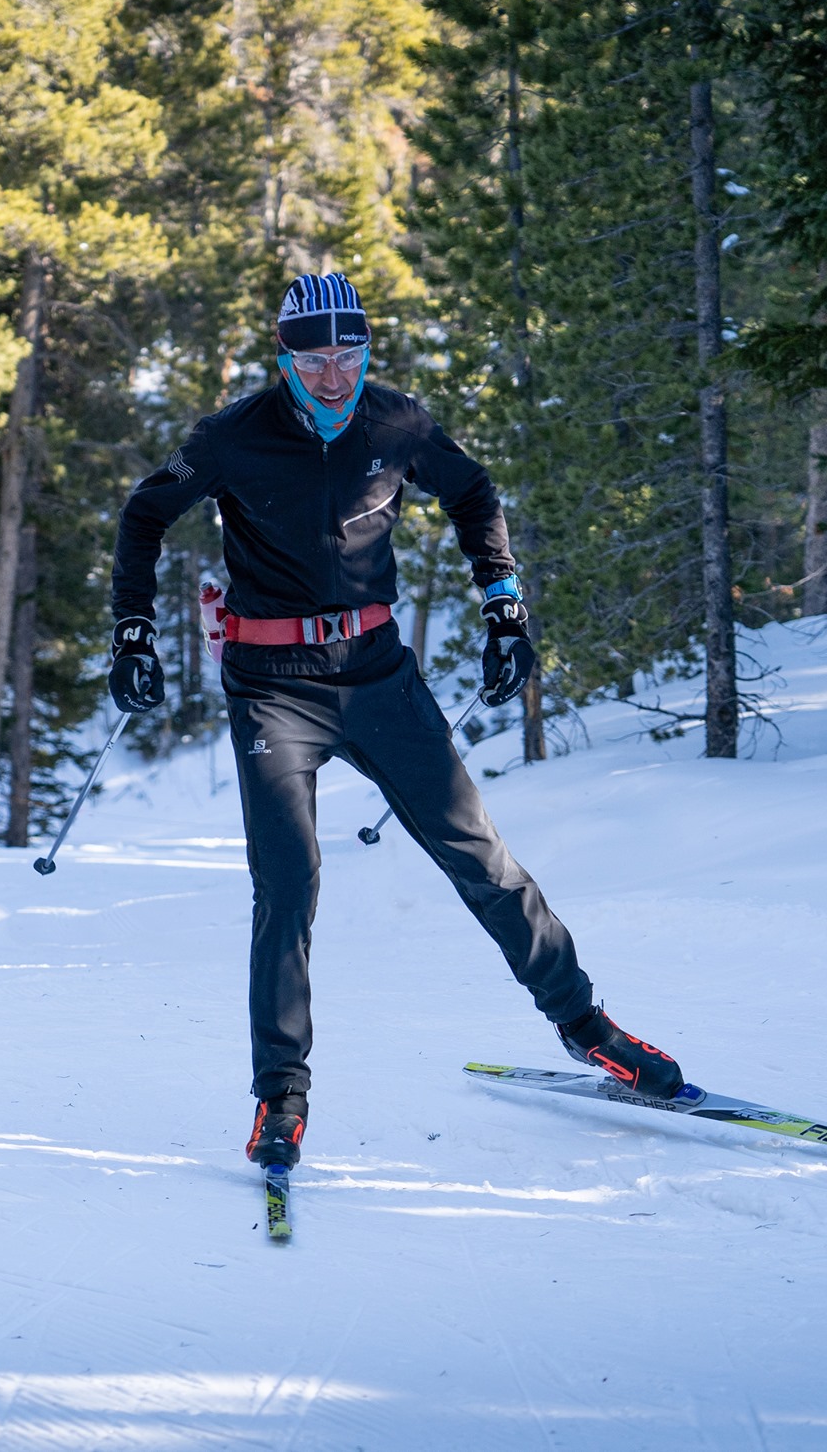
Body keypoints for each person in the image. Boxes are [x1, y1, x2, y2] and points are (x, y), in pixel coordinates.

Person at [109, 273, 685, 1172]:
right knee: (288, 887)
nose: (333, 378)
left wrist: (504, 608)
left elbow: (473, 495)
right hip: (272, 686)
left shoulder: (398, 421)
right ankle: (280, 1098)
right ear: (285, 359)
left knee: (483, 860)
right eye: (313, 361)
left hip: (378, 675)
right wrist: (133, 632)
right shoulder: (233, 436)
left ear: (367, 353)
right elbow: (144, 514)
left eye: (349, 356)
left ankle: (586, 1027)